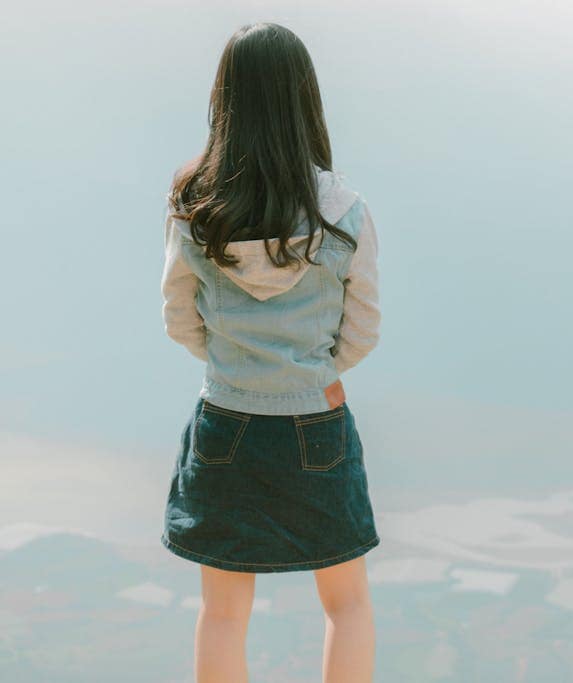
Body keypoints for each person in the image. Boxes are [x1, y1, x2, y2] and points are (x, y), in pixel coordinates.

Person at [158, 22, 381, 683]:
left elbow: (178, 319)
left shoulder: (194, 204)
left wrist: (233, 368)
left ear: (224, 100)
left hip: (225, 421)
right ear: (302, 100)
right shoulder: (345, 211)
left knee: (223, 613)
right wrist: (315, 375)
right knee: (347, 605)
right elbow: (364, 327)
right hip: (315, 422)